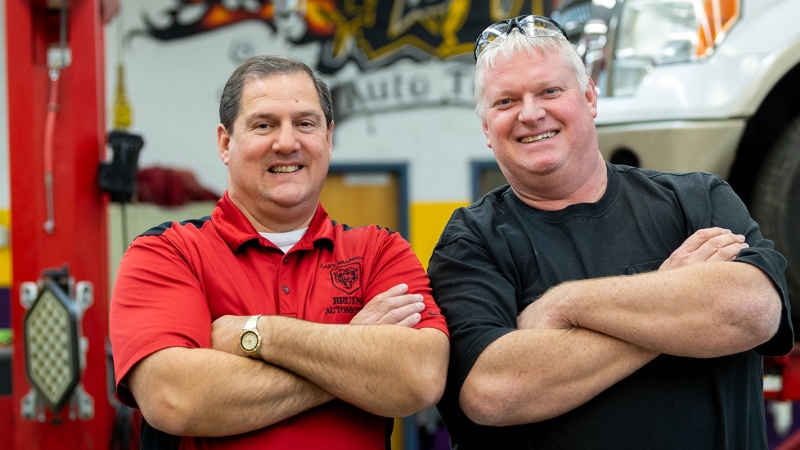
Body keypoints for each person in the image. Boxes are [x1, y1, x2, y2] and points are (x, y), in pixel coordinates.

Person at [427, 15, 793, 449]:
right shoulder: (470, 244)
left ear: (589, 97)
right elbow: (493, 390)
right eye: (506, 101)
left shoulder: (697, 199)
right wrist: (674, 299)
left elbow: (751, 310)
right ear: (487, 128)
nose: (530, 113)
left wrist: (563, 304)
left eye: (549, 91)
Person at [109, 55, 449, 449]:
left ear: (328, 139)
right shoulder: (167, 253)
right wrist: (355, 347)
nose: (287, 142)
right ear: (225, 143)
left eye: (305, 124)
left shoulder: (379, 251)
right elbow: (174, 399)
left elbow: (421, 376)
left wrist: (254, 335)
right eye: (264, 125)